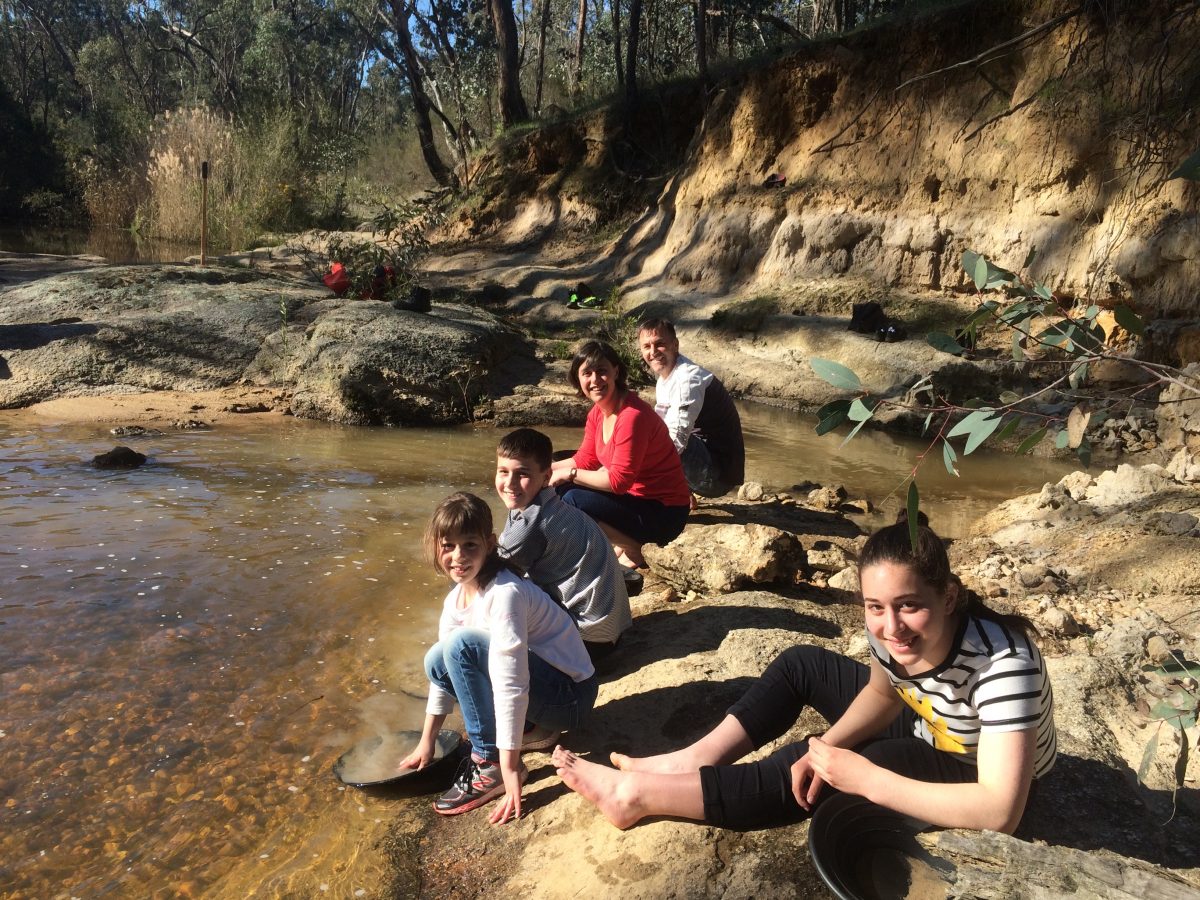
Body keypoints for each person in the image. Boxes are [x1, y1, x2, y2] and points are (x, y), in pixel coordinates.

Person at [552, 511, 1056, 832]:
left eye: (909, 606)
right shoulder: (892, 635)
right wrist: (830, 745)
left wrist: (865, 777)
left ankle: (636, 796)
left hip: (973, 767)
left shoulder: (1003, 667)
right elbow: (885, 695)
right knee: (802, 667)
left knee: (834, 772)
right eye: (875, 606)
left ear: (947, 597)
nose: (891, 625)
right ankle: (694, 759)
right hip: (930, 724)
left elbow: (1000, 811)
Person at [398, 492, 599, 821]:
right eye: (448, 546)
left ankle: (488, 762)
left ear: (489, 544)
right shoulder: (456, 599)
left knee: (462, 646)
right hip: (547, 689)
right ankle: (533, 728)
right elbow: (444, 674)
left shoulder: (505, 593)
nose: (458, 556)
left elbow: (512, 681)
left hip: (571, 697)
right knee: (438, 658)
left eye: (470, 545)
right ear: (436, 547)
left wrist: (507, 765)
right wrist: (427, 741)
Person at [495, 427, 633, 666]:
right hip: (610, 632)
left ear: (546, 477)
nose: (510, 483)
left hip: (587, 642)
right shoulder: (547, 504)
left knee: (501, 591)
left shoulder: (531, 521)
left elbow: (489, 580)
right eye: (503, 471)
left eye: (522, 474)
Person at [549, 340, 691, 571]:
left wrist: (570, 473)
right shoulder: (599, 412)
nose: (594, 380)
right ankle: (617, 543)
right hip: (637, 501)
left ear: (616, 371)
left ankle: (634, 547)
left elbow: (618, 481)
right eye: (587, 373)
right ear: (578, 378)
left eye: (602, 371)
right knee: (558, 488)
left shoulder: (632, 416)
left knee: (572, 497)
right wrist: (540, 471)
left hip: (664, 513)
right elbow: (587, 459)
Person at [637, 318, 745, 498]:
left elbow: (677, 439)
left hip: (716, 478)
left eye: (660, 344)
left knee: (658, 435)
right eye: (646, 347)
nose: (653, 352)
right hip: (705, 466)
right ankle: (681, 492)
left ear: (675, 345)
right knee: (643, 424)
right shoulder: (666, 376)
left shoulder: (687, 380)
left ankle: (670, 495)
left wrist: (638, 473)